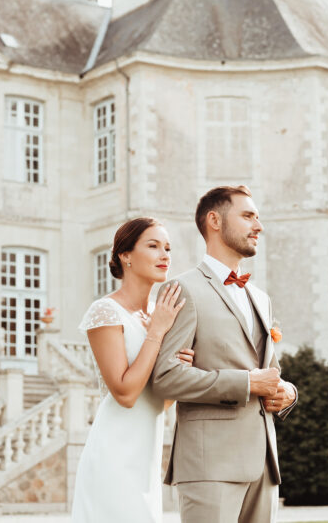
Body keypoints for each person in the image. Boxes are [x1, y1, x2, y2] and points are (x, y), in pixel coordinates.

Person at [152, 185, 298, 523]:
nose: (258, 226)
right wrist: (247, 383)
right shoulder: (182, 288)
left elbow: (269, 372)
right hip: (210, 465)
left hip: (263, 464)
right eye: (248, 216)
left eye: (258, 218)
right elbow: (165, 377)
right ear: (214, 221)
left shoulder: (260, 298)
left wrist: (287, 393)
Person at [71, 217, 194, 522]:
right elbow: (125, 393)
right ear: (125, 256)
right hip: (114, 451)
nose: (164, 255)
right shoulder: (105, 311)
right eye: (153, 246)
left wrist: (179, 372)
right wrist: (157, 332)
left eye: (167, 247)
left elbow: (157, 399)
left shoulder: (160, 313)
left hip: (146, 454)